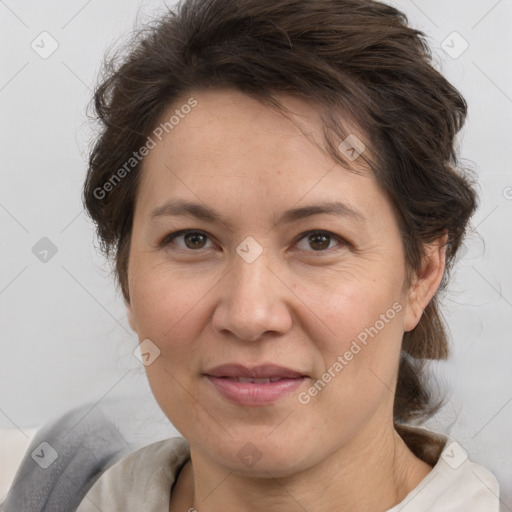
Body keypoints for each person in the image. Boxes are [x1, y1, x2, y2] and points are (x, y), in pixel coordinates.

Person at [4, 0, 500, 510]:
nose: (249, 315)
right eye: (192, 239)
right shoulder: (52, 487)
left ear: (421, 273)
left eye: (319, 240)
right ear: (127, 275)